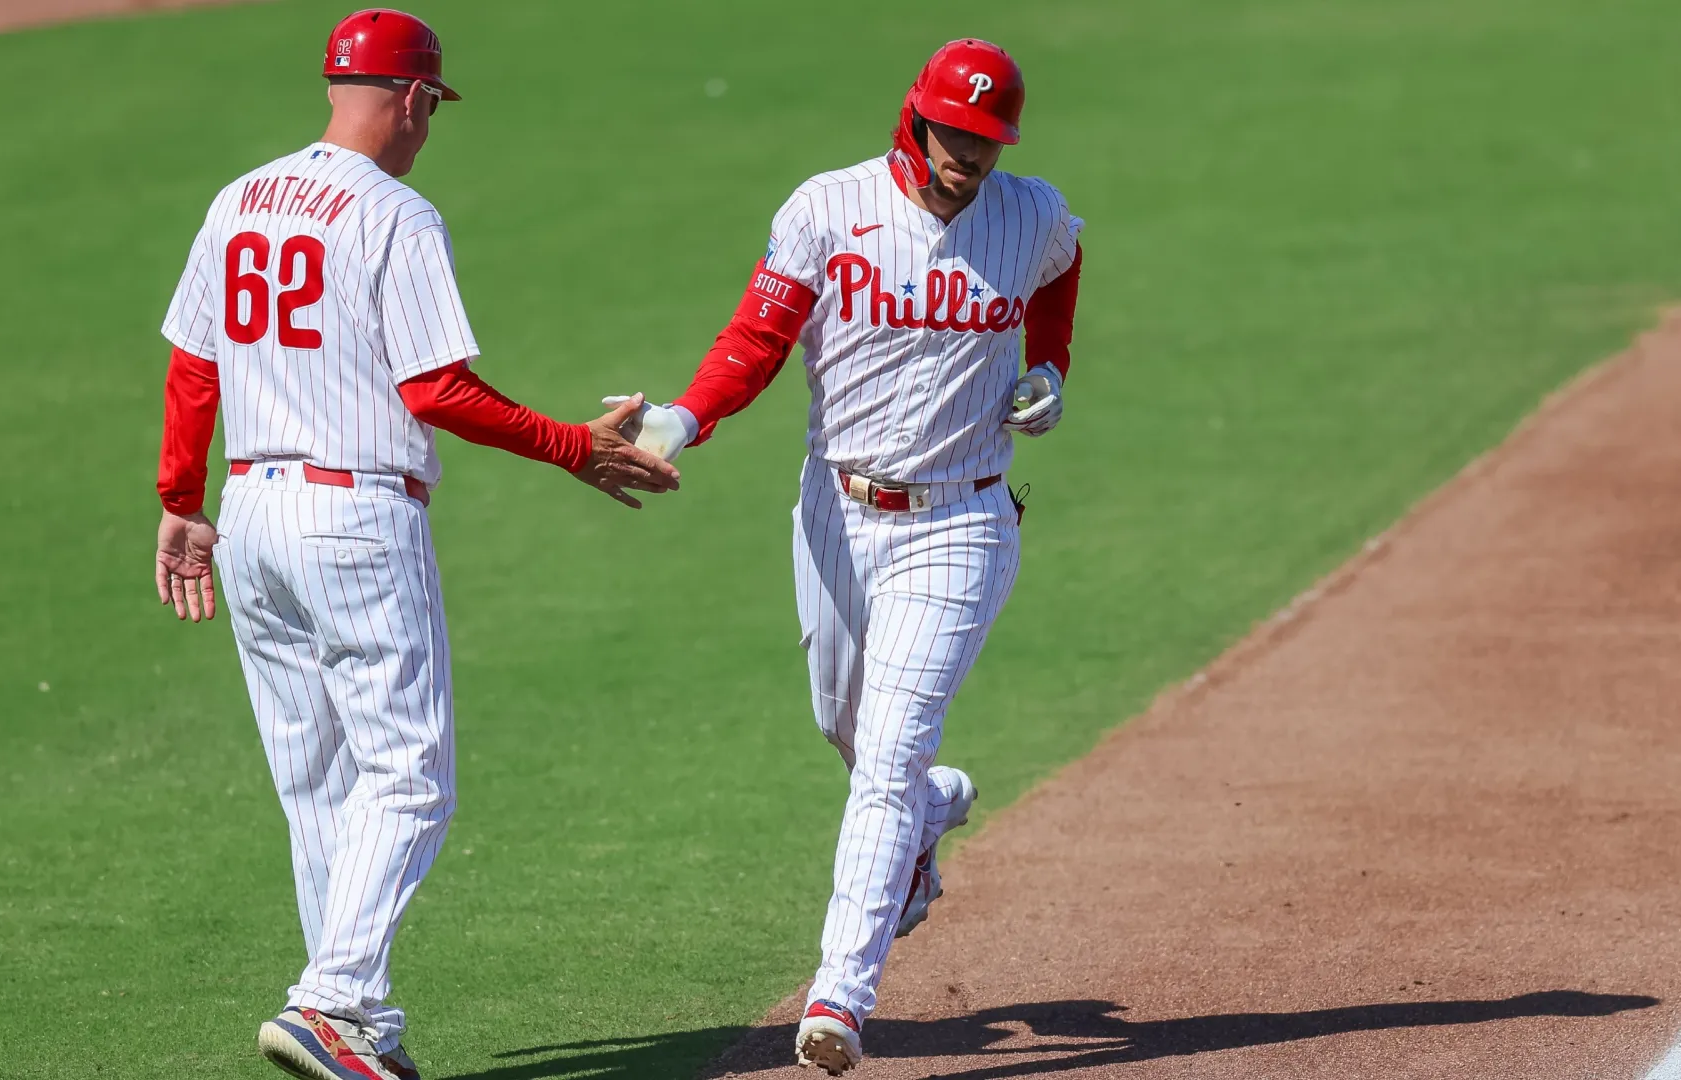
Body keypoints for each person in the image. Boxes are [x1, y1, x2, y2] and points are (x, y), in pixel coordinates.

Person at [150, 10, 680, 1079]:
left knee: (321, 789)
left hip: (249, 516)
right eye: (431, 105)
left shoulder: (237, 197)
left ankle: (360, 1025)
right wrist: (570, 445)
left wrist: (179, 498)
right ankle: (333, 1001)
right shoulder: (396, 213)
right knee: (410, 777)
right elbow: (434, 388)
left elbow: (194, 365)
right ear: (408, 98)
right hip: (352, 519)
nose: (429, 124)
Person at [613, 38, 1082, 1075]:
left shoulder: (1030, 213)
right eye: (955, 132)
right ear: (914, 118)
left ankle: (841, 994)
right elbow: (757, 339)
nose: (969, 154)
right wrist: (687, 417)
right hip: (836, 510)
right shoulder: (828, 209)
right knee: (847, 727)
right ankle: (929, 818)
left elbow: (1063, 266)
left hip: (962, 520)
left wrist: (1048, 364)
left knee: (887, 753)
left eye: (989, 138)